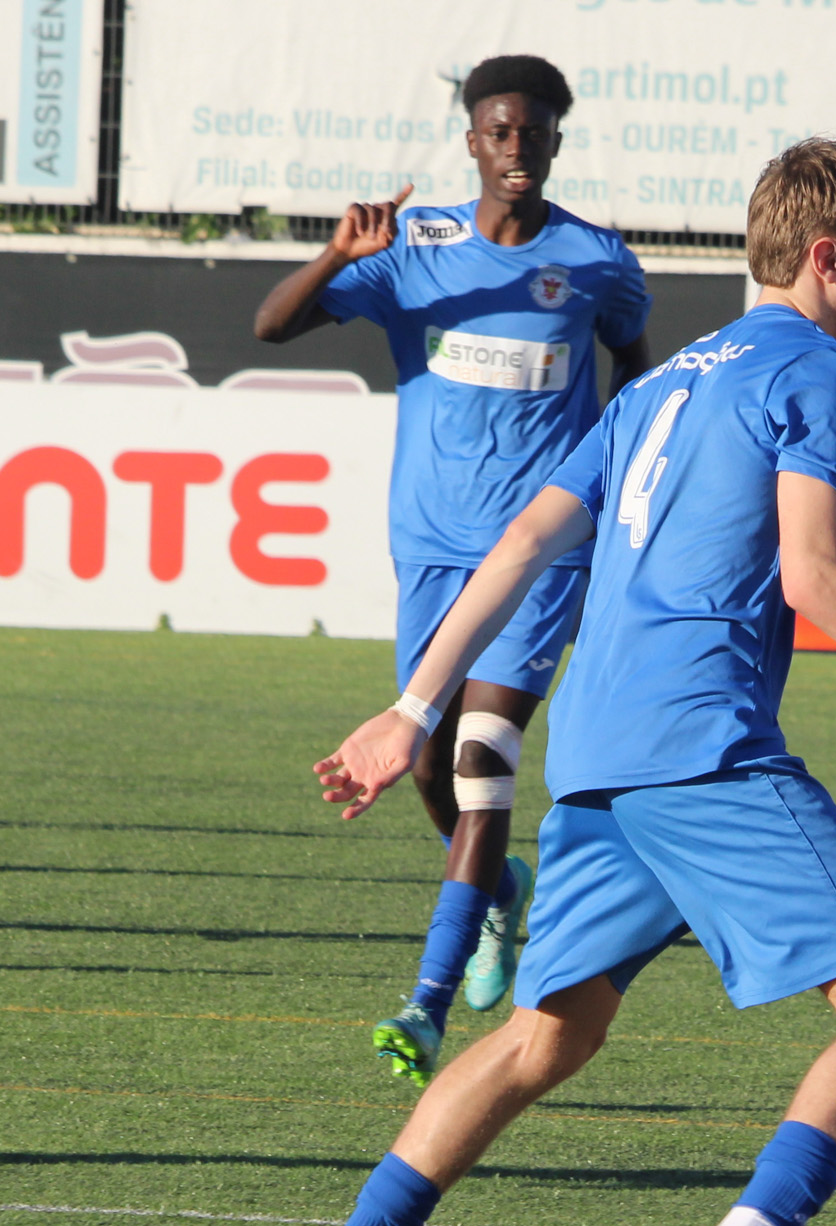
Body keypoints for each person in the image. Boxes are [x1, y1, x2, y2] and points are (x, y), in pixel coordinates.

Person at [254, 136, 836, 1226]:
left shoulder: (663, 381)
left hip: (593, 748)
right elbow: (815, 576)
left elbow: (528, 538)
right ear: (827, 256)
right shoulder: (817, 369)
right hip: (703, 744)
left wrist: (412, 708)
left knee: (543, 1034)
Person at [254, 55, 653, 1085]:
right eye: (499, 131)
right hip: (430, 549)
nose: (516, 148)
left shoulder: (597, 260)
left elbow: (635, 362)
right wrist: (336, 251)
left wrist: (607, 480)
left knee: (482, 762)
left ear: (558, 140)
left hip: (540, 556)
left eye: (534, 132)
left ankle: (425, 1005)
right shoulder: (415, 248)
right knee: (425, 762)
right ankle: (495, 897)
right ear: (472, 139)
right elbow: (274, 324)